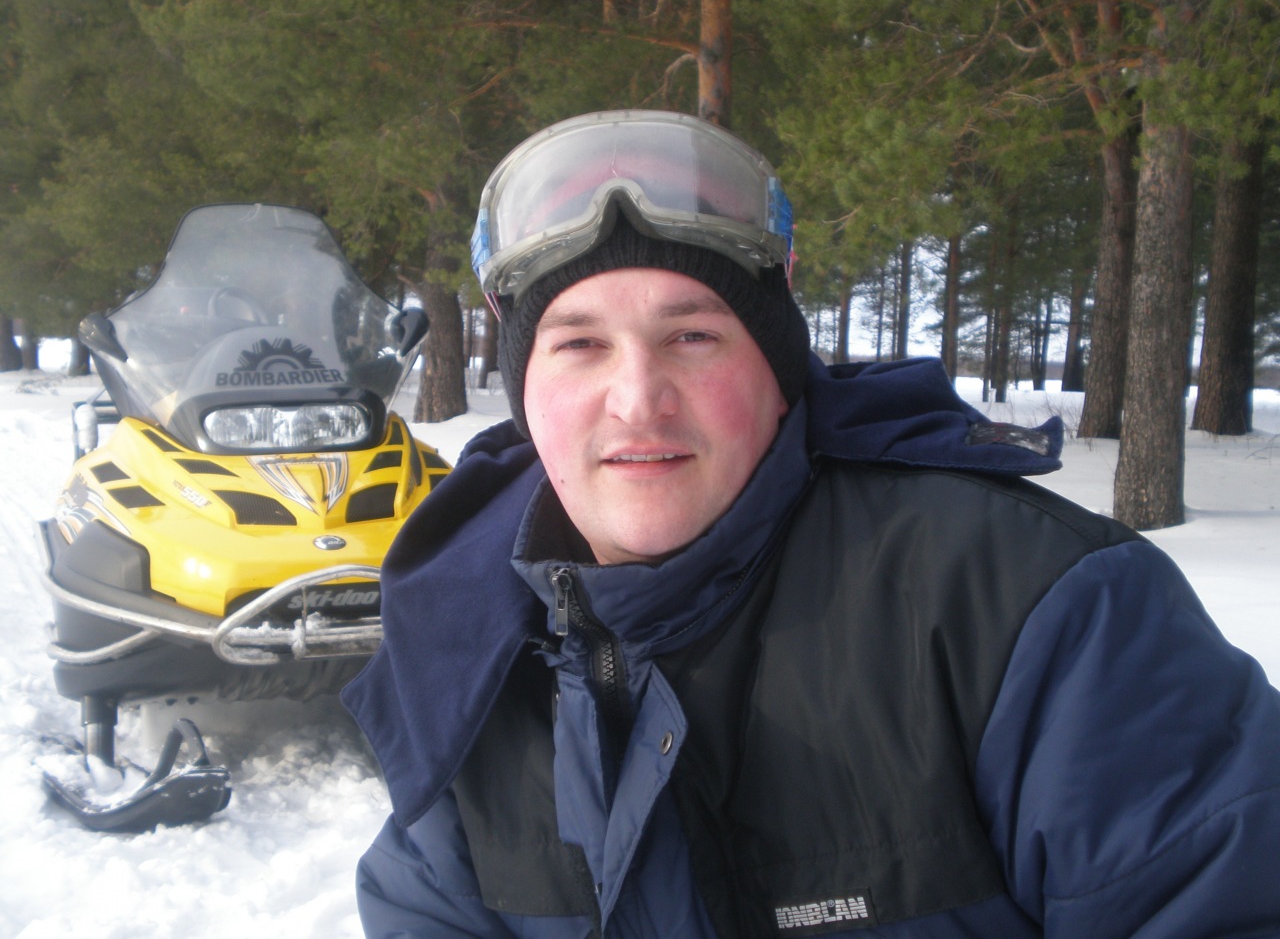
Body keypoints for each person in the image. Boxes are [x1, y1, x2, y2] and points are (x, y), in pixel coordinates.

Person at [341, 110, 1280, 938]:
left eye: (692, 336)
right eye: (579, 343)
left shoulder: (1041, 615)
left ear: (779, 370)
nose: (637, 398)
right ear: (525, 392)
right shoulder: (468, 642)